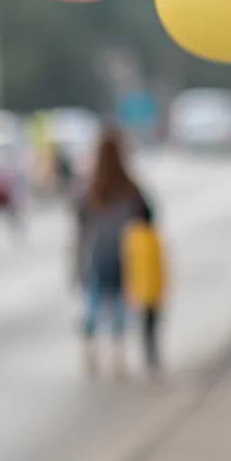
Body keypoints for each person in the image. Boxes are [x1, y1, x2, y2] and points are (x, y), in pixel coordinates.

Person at [75, 127, 149, 376]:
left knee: (93, 305)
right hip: (123, 256)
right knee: (119, 306)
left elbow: (80, 225)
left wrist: (77, 263)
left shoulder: (89, 189)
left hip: (96, 255)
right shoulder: (130, 188)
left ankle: (90, 347)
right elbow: (148, 218)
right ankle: (118, 356)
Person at [122, 202, 166, 374]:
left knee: (146, 326)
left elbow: (129, 266)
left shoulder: (133, 238)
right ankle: (151, 356)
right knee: (150, 326)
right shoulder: (152, 237)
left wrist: (130, 289)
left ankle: (150, 356)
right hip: (151, 290)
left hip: (143, 291)